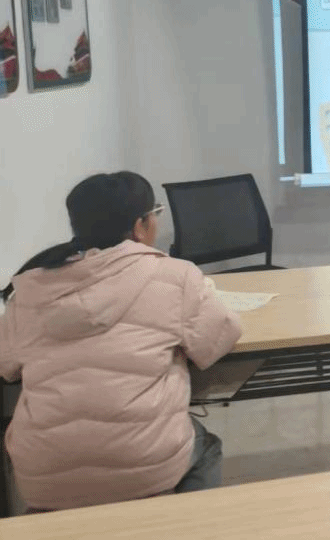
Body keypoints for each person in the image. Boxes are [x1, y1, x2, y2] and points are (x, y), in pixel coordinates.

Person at [0, 172, 242, 512]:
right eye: (155, 214)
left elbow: (7, 366)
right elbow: (219, 337)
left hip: (42, 476)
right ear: (140, 225)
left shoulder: (29, 290)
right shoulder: (176, 275)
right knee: (207, 447)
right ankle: (187, 525)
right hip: (144, 466)